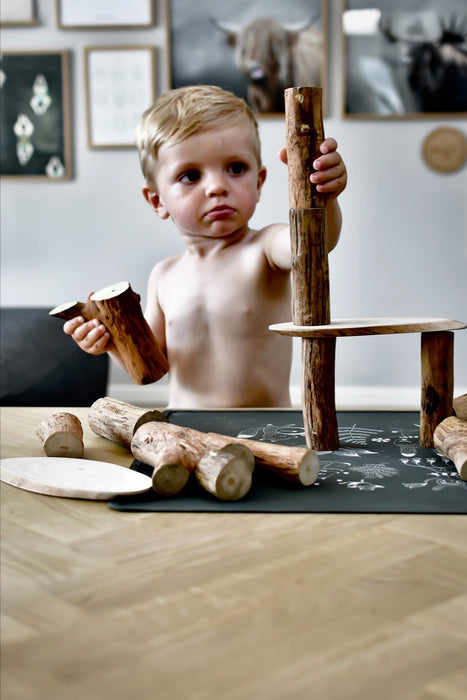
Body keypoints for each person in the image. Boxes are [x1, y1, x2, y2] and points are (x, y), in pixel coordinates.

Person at [64, 85, 347, 408]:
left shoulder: (265, 250)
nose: (217, 187)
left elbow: (315, 243)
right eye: (190, 175)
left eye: (236, 168)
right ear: (157, 200)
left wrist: (324, 196)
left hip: (266, 429)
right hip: (187, 429)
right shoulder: (164, 275)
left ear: (259, 182)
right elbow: (150, 364)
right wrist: (110, 342)